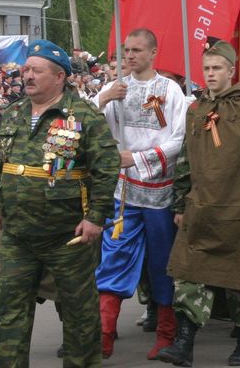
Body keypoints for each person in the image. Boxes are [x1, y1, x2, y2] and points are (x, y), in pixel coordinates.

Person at [0, 40, 120, 367]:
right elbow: (1, 164)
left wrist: (96, 218)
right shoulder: (13, 114)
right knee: (10, 310)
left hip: (67, 235)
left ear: (59, 77)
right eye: (25, 69)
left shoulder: (82, 115)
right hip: (17, 234)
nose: (27, 75)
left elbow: (107, 167)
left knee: (79, 312)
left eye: (35, 71)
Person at [158, 41, 240, 367]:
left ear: (231, 71)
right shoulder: (197, 110)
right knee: (190, 273)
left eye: (217, 68)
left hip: (239, 208)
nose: (211, 74)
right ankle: (184, 345)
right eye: (206, 69)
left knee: (238, 277)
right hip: (201, 206)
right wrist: (180, 203)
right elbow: (187, 160)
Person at [92, 29, 188, 360]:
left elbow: (178, 139)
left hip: (160, 192)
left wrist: (140, 157)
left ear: (153, 53)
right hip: (124, 191)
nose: (129, 56)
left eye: (136, 50)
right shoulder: (114, 88)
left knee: (163, 263)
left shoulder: (170, 89)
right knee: (113, 256)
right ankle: (104, 332)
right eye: (126, 50)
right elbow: (83, 123)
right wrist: (103, 100)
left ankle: (166, 333)